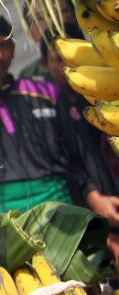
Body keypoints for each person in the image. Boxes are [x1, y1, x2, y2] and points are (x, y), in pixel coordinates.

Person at [0, 12, 113, 216]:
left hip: (60, 212)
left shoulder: (47, 94)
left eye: (3, 45)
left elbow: (83, 155)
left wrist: (97, 198)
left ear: (12, 48)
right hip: (1, 225)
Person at [38, 24, 119, 253]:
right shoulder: (51, 109)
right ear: (45, 65)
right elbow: (70, 163)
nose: (67, 66)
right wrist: (93, 197)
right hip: (94, 214)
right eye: (58, 59)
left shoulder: (108, 92)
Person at [17, 0, 77, 82]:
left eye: (59, 12)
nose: (52, 21)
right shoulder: (30, 79)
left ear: (76, 17)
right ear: (30, 33)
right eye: (40, 18)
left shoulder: (102, 56)